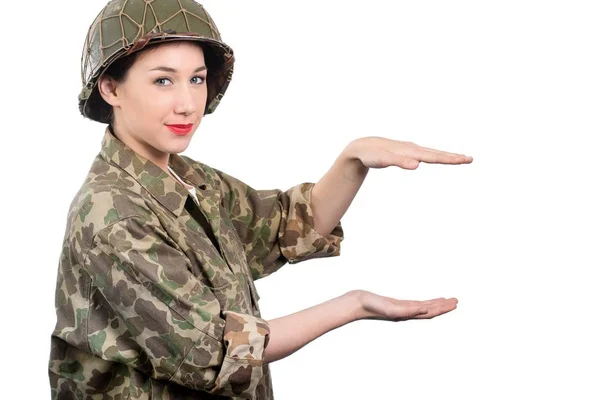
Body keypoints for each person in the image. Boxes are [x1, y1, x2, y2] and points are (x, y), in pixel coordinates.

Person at [48, 1, 473, 399]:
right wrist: (353, 305)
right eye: (163, 80)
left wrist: (353, 159)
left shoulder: (186, 177)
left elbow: (282, 226)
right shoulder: (114, 214)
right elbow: (216, 351)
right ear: (111, 89)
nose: (187, 103)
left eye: (196, 78)